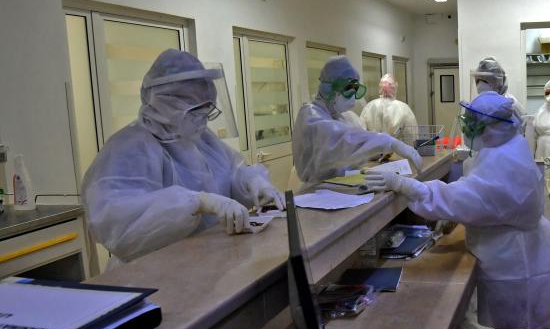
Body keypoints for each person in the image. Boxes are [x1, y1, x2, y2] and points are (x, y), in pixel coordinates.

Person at [365, 91, 550, 329]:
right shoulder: (505, 147)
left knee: (513, 328)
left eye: (473, 124)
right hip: (518, 250)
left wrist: (405, 185)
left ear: (492, 127)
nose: (467, 129)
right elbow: (475, 191)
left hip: (516, 261)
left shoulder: (506, 161)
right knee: (509, 327)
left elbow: (471, 196)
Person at [82, 50, 285, 268]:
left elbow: (231, 172)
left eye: (206, 111)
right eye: (195, 111)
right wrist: (196, 202)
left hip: (206, 263)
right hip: (150, 272)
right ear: (167, 105)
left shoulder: (199, 138)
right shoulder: (129, 147)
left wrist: (254, 182)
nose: (202, 121)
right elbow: (120, 226)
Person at [293, 57, 422, 188]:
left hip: (346, 186)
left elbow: (361, 141)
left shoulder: (345, 116)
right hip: (317, 193)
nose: (353, 95)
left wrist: (378, 151)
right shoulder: (310, 116)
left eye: (356, 89)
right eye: (349, 89)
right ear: (331, 88)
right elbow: (341, 139)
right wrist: (390, 143)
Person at [471, 56, 527, 132]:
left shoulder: (511, 105)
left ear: (497, 83)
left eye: (485, 81)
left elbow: (524, 129)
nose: (480, 85)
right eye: (478, 81)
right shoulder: (479, 105)